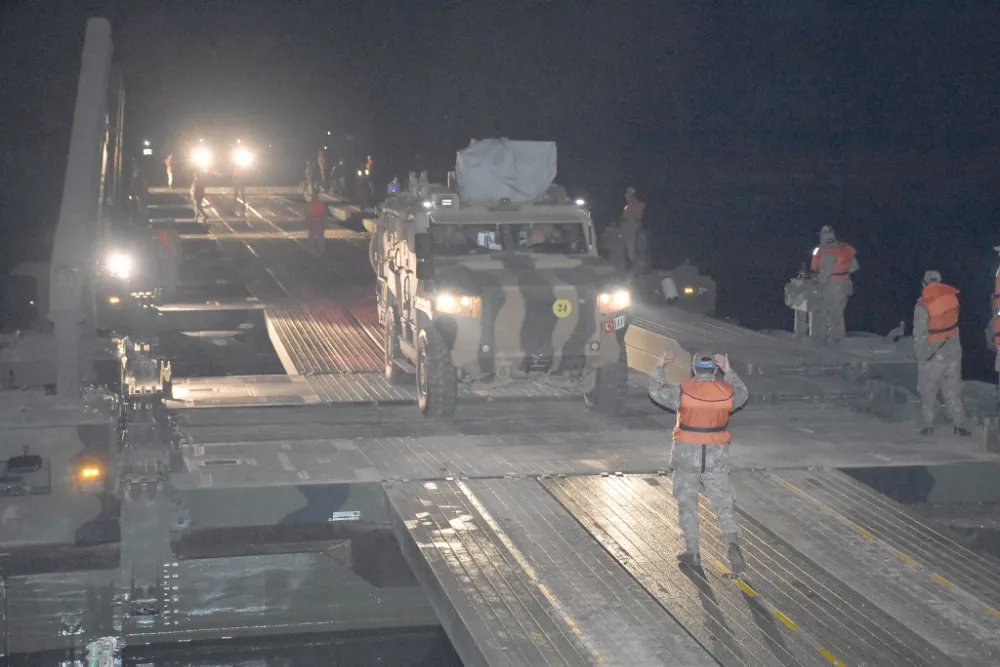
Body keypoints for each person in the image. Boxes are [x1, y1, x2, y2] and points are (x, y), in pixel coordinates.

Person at [649, 350, 750, 574]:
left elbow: (656, 391)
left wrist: (659, 366)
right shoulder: (727, 392)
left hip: (687, 456)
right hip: (716, 456)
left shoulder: (683, 390)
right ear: (714, 370)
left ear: (694, 369)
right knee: (723, 504)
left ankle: (692, 552)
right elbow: (742, 394)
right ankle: (732, 543)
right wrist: (729, 371)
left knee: (687, 504)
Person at [914, 271, 970, 437]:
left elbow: (920, 334)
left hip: (932, 351)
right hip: (953, 349)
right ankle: (959, 425)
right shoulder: (952, 299)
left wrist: (920, 356)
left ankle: (928, 425)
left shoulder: (923, 304)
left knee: (928, 388)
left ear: (923, 284)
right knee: (953, 388)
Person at [810, 225, 858, 345]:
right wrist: (843, 273)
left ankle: (833, 340)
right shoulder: (843, 248)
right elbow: (854, 266)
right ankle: (838, 338)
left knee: (833, 312)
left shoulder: (827, 252)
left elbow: (823, 273)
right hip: (843, 284)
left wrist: (819, 280)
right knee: (837, 312)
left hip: (832, 285)